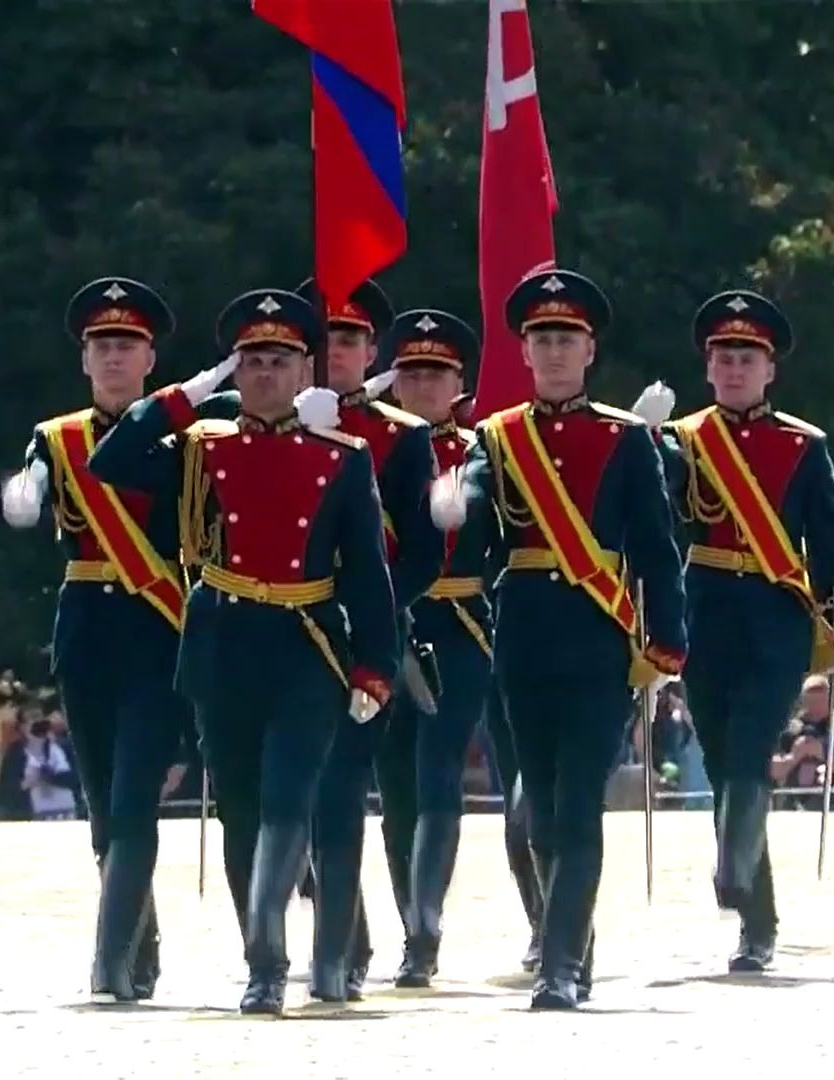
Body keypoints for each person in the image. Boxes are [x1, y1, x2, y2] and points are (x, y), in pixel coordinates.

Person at [88, 287, 400, 1015]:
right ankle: (261, 959)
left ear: (304, 370)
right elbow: (113, 458)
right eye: (252, 360)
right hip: (223, 644)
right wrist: (186, 394)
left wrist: (375, 665)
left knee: (291, 801)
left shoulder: (342, 458)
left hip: (305, 645)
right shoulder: (201, 449)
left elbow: (367, 572)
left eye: (280, 359)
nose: (264, 372)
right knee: (240, 814)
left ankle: (279, 959)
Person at [428, 268, 687, 1010]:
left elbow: (655, 548)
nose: (554, 351)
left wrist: (667, 641)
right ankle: (568, 935)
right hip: (523, 641)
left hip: (599, 642)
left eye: (566, 338)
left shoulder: (625, 439)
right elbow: (478, 510)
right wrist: (452, 502)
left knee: (577, 803)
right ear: (526, 350)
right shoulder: (500, 438)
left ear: (589, 348)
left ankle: (562, 966)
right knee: (538, 809)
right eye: (542, 338)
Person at [0, 276, 200, 1002]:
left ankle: (107, 963)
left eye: (127, 345)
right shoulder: (59, 437)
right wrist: (20, 496)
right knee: (104, 808)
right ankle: (137, 940)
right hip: (87, 631)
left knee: (138, 797)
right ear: (85, 360)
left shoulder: (181, 437)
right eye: (101, 345)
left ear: (150, 358)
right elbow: (34, 480)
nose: (113, 358)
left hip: (158, 628)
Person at [656, 289, 834, 973]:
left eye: (747, 356)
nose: (735, 367)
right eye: (724, 356)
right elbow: (656, 530)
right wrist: (641, 446)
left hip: (776, 613)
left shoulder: (803, 445)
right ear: (709, 367)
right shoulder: (681, 441)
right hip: (705, 608)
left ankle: (733, 875)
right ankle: (759, 923)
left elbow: (832, 547)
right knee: (723, 763)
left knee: (752, 744)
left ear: (769, 368)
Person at [292, 279, 440, 1001]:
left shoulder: (403, 436)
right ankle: (341, 927)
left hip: (363, 643)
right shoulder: (249, 424)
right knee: (283, 797)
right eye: (322, 339)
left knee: (340, 790)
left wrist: (373, 614)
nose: (335, 352)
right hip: (279, 632)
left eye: (348, 339)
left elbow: (419, 551)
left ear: (370, 350)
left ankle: (339, 948)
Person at [370, 308, 493, 988]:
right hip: (388, 623)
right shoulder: (369, 447)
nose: (422, 385)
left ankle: (425, 928)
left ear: (459, 382)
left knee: (439, 766)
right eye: (410, 372)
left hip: (459, 624)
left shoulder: (482, 448)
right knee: (394, 784)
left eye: (436, 373)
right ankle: (408, 920)